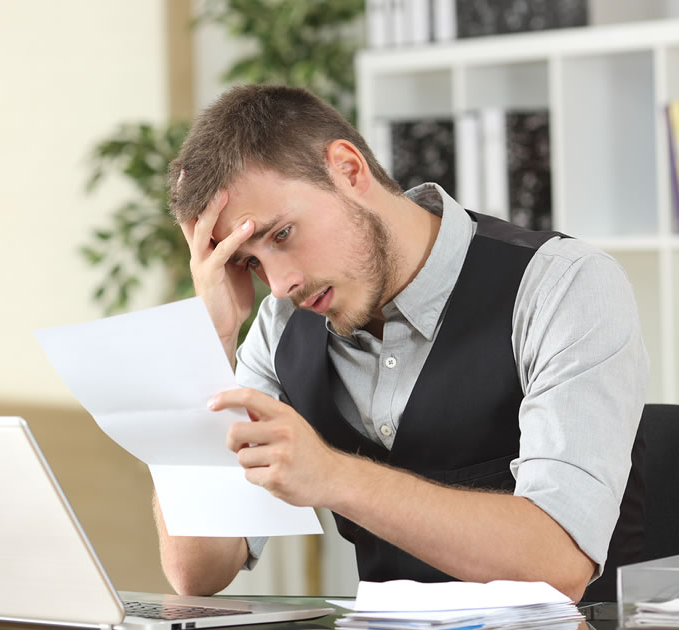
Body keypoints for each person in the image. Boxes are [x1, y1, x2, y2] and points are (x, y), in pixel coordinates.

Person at [154, 84, 647, 602]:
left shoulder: (563, 286)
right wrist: (208, 347)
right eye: (250, 262)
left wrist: (334, 477)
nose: (278, 285)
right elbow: (199, 572)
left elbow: (559, 562)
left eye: (281, 235)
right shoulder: (281, 324)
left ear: (348, 170)